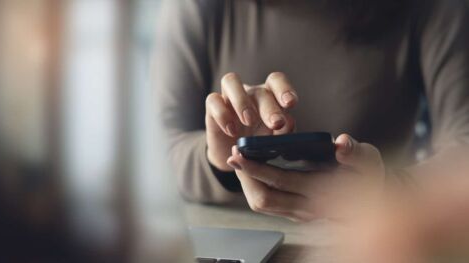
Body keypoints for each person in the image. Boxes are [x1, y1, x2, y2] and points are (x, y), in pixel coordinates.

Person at [152, 0, 469, 221]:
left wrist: (389, 192)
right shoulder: (196, 5)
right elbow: (157, 150)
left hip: (375, 243)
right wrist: (218, 162)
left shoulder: (431, 7)